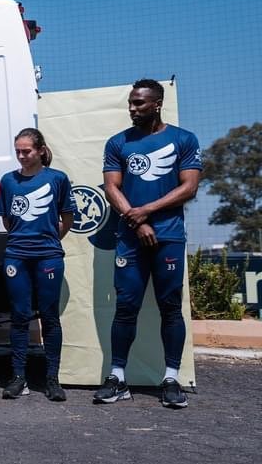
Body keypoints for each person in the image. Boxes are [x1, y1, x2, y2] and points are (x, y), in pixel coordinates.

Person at [94, 79, 202, 409]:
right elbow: (112, 187)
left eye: (139, 103)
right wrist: (135, 220)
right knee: (126, 308)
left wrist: (147, 212)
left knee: (170, 307)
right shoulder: (118, 143)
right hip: (129, 239)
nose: (132, 108)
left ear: (157, 103)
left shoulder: (183, 139)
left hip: (168, 236)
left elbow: (190, 187)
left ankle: (171, 378)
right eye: (130, 102)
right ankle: (117, 378)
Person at [0, 128, 75, 402]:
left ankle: (52, 379)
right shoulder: (8, 181)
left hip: (48, 256)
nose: (21, 156)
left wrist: (48, 241)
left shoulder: (57, 179)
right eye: (18, 151)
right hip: (16, 256)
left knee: (50, 317)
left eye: (27, 151)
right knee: (19, 317)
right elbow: (7, 221)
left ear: (40, 150)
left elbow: (67, 218)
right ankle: (19, 378)